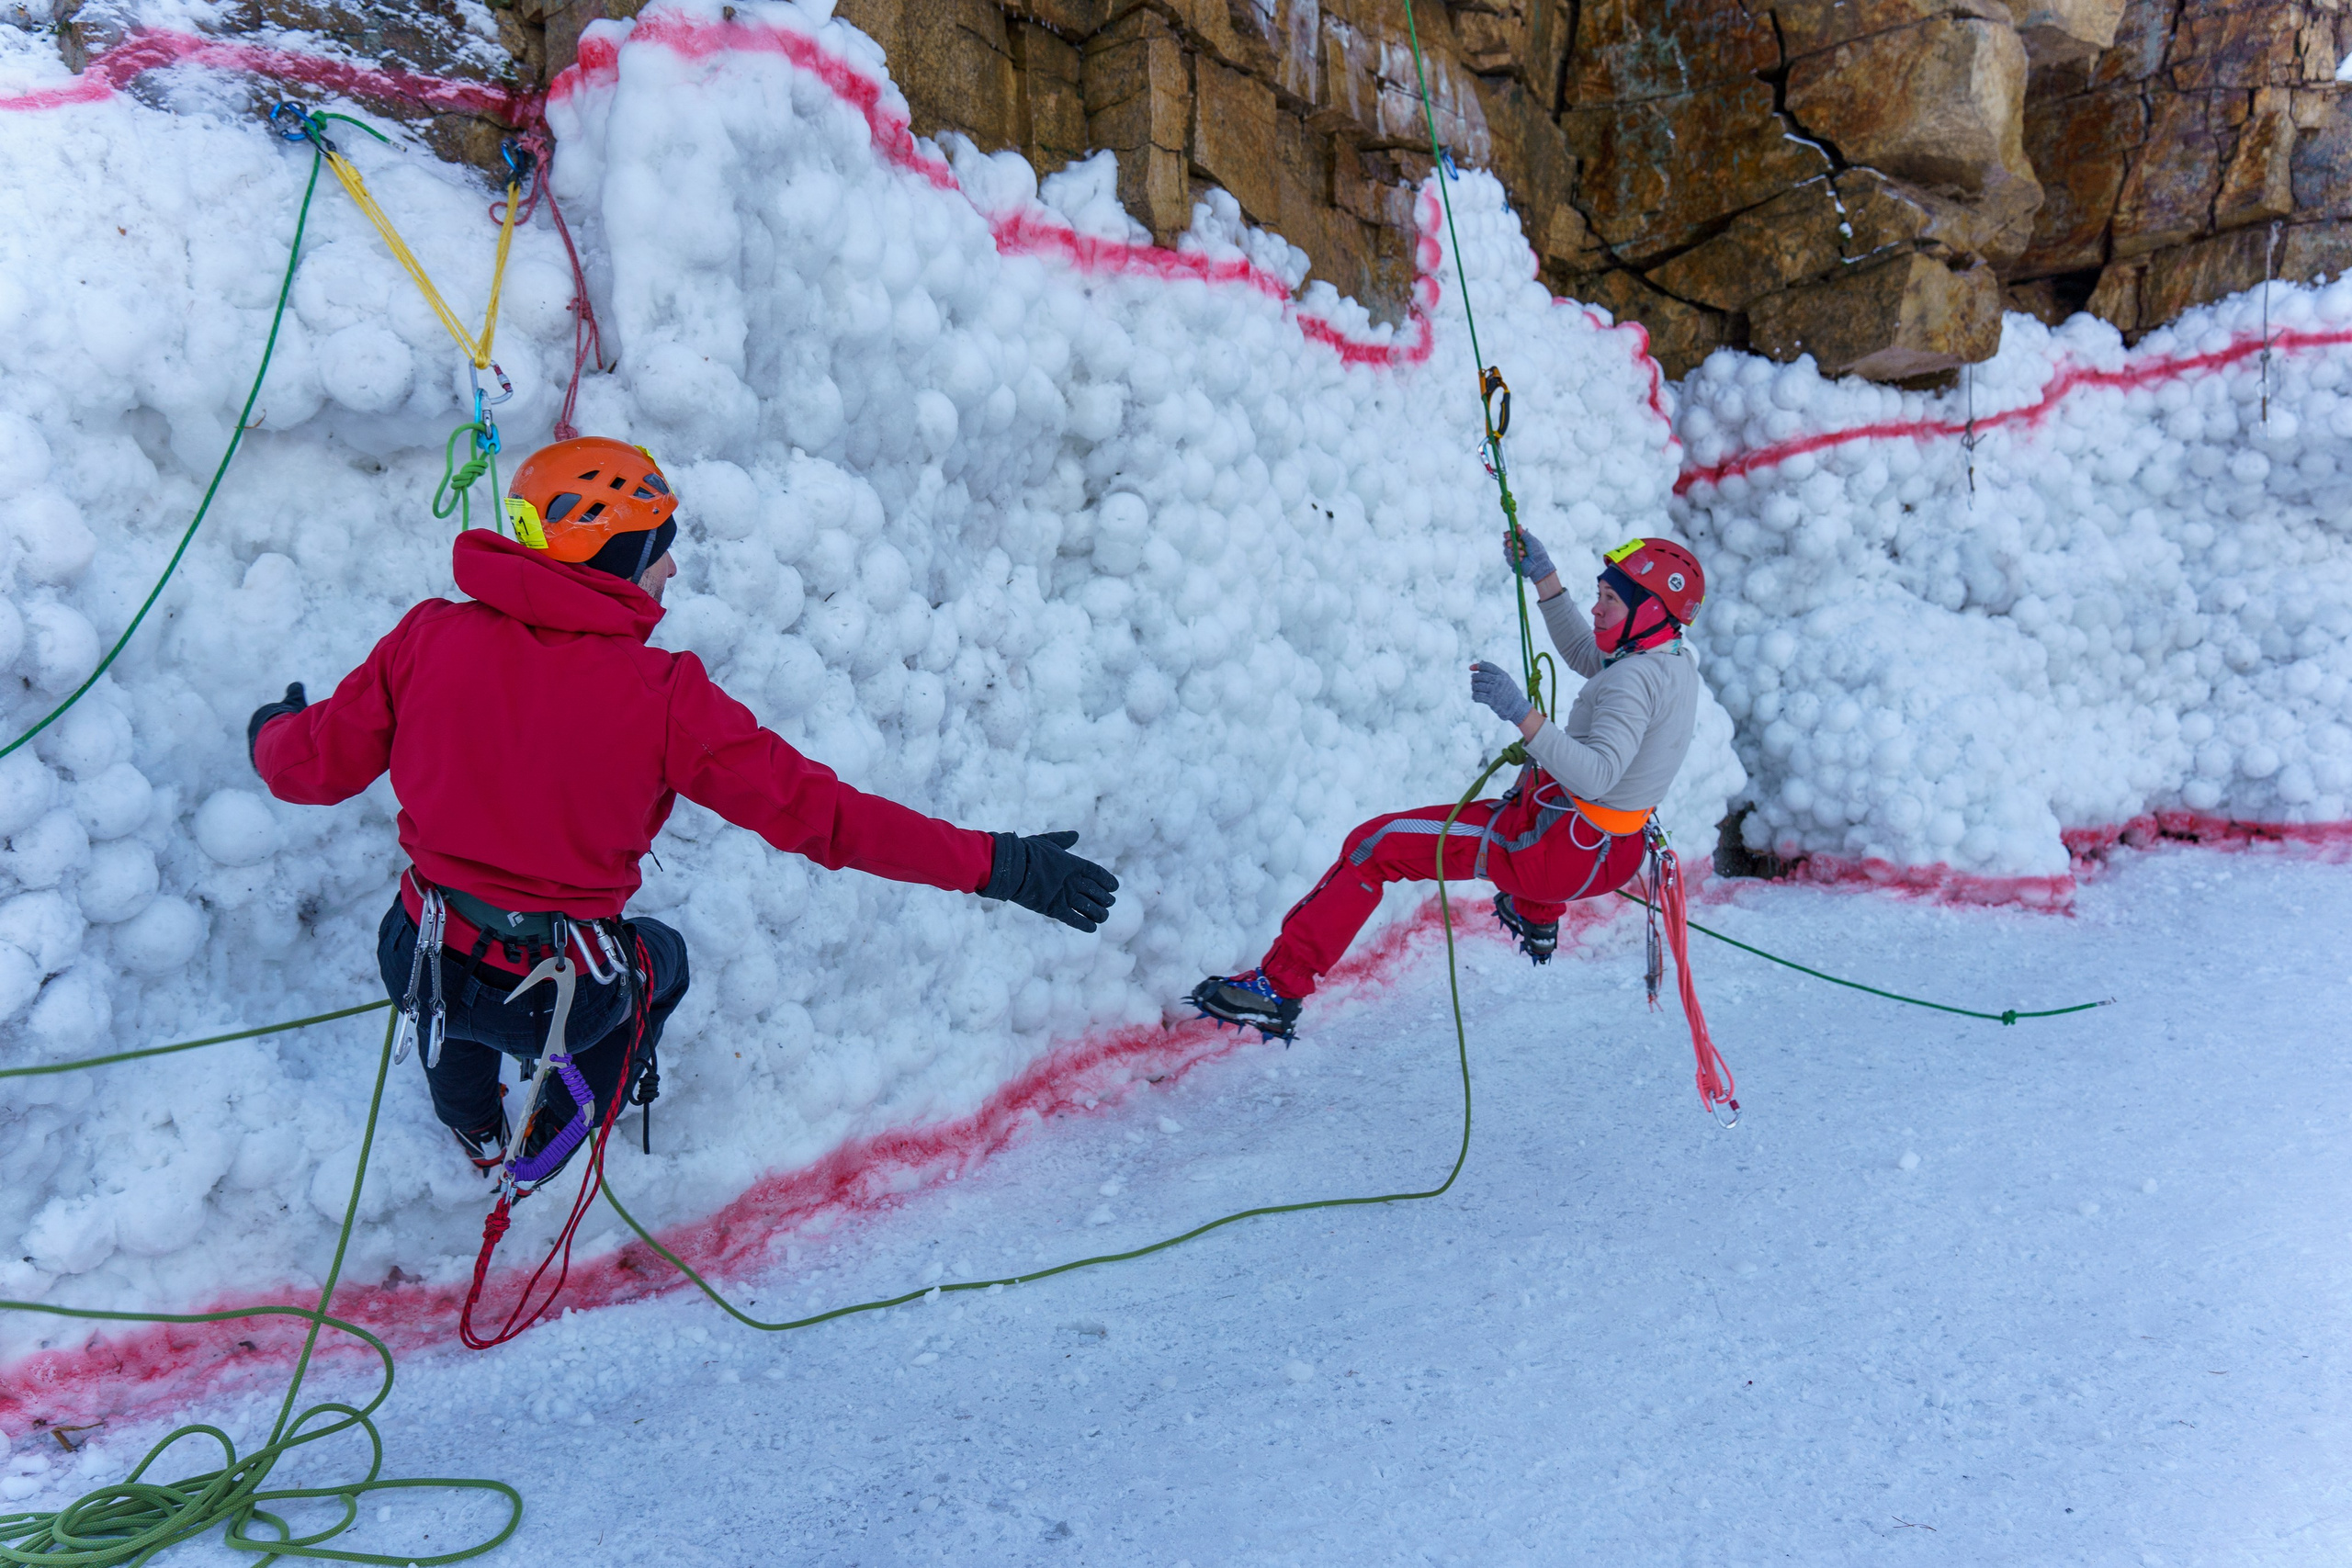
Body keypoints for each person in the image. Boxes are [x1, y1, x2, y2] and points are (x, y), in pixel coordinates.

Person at [250, 436, 1118, 1179]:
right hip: (564, 989)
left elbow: (305, 768)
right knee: (660, 960)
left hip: (421, 952)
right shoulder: (665, 697)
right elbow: (829, 819)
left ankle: (476, 1127)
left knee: (450, 1011)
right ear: (616, 557)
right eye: (659, 546)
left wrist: (274, 727)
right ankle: (556, 1130)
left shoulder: (427, 637)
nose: (671, 565)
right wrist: (1001, 864)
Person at [1189, 531, 1703, 1040]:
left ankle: (1279, 989)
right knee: (1525, 796)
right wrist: (1544, 577)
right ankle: (1537, 917)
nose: (1596, 609)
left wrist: (1520, 714)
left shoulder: (1632, 681)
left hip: (1554, 851)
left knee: (1375, 846)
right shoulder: (1668, 661)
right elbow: (1587, 656)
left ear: (1652, 610)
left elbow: (1596, 774)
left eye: (1610, 600)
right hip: (1615, 850)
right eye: (1599, 595)